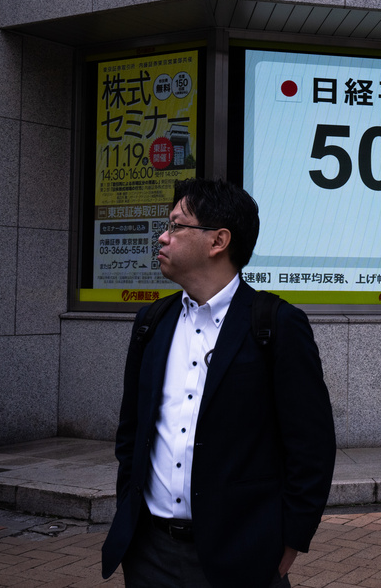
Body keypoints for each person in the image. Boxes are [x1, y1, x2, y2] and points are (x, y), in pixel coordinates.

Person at [101, 178, 337, 588]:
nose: (163, 236)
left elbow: (311, 446)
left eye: (177, 225)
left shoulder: (276, 324)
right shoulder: (152, 322)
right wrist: (128, 509)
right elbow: (132, 432)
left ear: (218, 241)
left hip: (241, 555)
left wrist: (291, 539)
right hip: (149, 553)